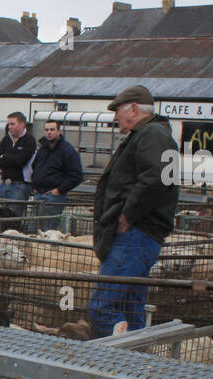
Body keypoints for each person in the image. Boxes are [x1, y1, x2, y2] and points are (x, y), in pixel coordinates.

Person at [87, 85, 179, 337]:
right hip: (142, 234)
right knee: (129, 305)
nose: (115, 117)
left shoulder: (151, 135)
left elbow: (158, 178)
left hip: (135, 234)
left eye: (118, 110)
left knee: (101, 307)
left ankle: (113, 361)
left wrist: (128, 215)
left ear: (135, 108)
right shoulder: (151, 135)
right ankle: (135, 359)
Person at [29, 119, 84, 232]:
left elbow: (77, 175)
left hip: (53, 197)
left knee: (49, 230)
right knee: (33, 229)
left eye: (52, 129)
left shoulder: (68, 151)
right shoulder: (42, 149)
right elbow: (35, 166)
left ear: (59, 131)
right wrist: (34, 185)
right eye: (47, 130)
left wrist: (59, 190)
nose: (49, 132)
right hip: (39, 194)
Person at [0, 111, 36, 212]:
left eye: (12, 124)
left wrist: (5, 156)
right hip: (4, 183)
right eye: (9, 124)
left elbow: (21, 161)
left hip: (20, 185)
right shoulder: (6, 139)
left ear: (22, 124)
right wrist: (13, 158)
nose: (9, 127)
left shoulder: (29, 140)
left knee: (13, 216)